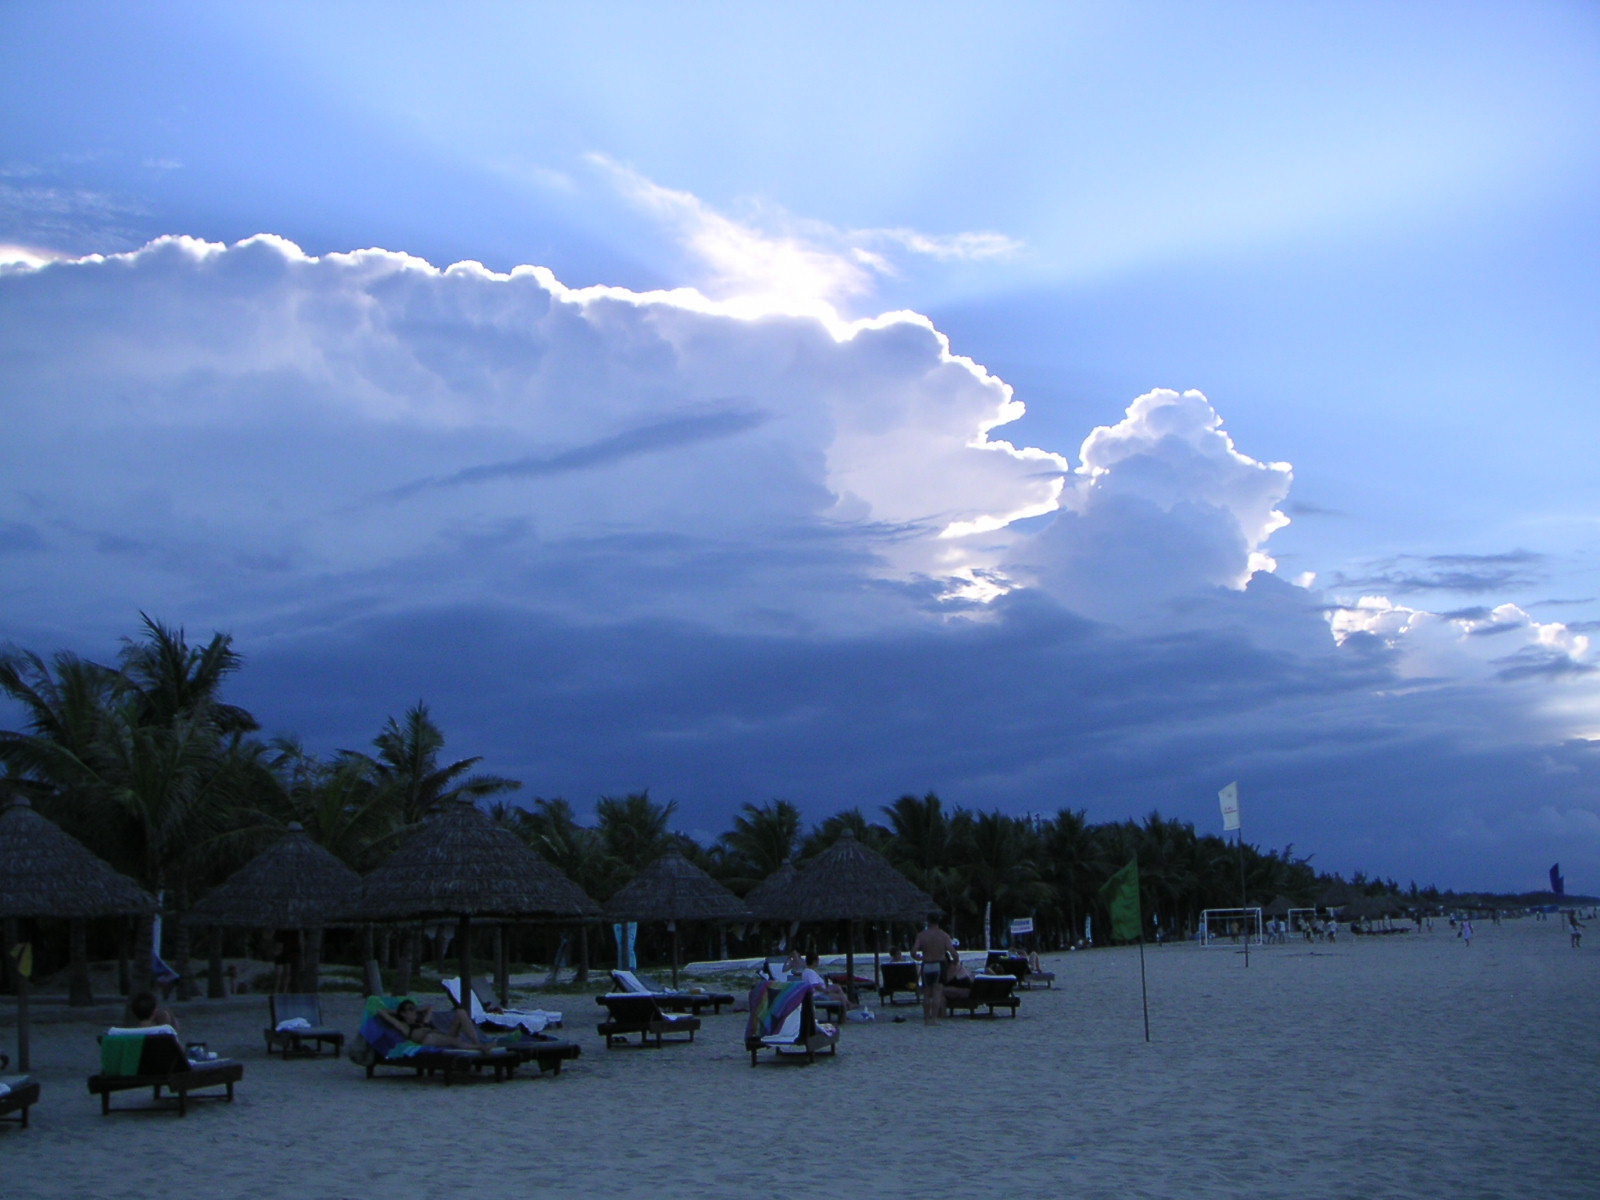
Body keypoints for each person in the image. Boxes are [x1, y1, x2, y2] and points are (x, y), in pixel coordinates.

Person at [377, 998, 494, 1051]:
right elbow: (381, 1011)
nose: (414, 1011)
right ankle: (481, 1047)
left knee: (461, 1012)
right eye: (410, 1009)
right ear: (403, 1013)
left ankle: (476, 1042)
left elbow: (430, 1007)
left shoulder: (423, 1021)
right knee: (455, 1040)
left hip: (440, 1035)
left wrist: (416, 1010)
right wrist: (397, 1013)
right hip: (428, 1039)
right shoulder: (403, 1026)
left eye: (414, 1008)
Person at [911, 913, 956, 1026]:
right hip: (939, 964)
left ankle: (926, 1019)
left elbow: (913, 951)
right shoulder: (944, 935)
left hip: (926, 964)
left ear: (928, 921)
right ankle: (934, 1019)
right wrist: (955, 961)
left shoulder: (922, 935)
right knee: (937, 993)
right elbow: (952, 952)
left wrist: (917, 957)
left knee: (926, 994)